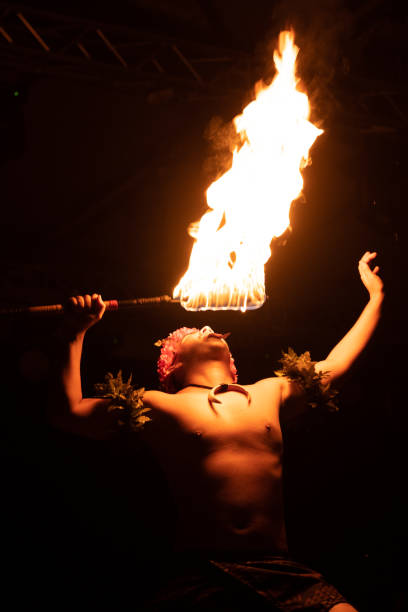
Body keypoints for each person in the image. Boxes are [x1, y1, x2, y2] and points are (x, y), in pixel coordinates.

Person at [49, 251, 384, 611]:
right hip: (201, 572)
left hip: (280, 570)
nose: (208, 327)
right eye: (193, 331)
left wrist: (376, 297)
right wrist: (75, 332)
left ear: (233, 363)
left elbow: (338, 363)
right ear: (172, 364)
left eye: (212, 330)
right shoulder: (163, 404)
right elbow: (70, 412)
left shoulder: (269, 391)